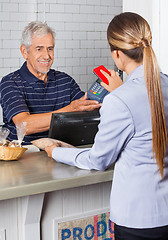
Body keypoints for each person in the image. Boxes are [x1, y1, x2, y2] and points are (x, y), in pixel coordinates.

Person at [44, 12, 168, 240]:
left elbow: (98, 160)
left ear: (117, 54)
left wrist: (55, 151)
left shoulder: (119, 99)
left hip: (137, 219)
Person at [0, 21, 100, 145]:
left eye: (50, 49)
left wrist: (108, 91)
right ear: (24, 52)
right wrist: (70, 109)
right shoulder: (10, 83)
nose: (46, 55)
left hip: (60, 152)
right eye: (39, 49)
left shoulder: (65, 81)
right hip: (24, 156)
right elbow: (24, 125)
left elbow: (87, 108)